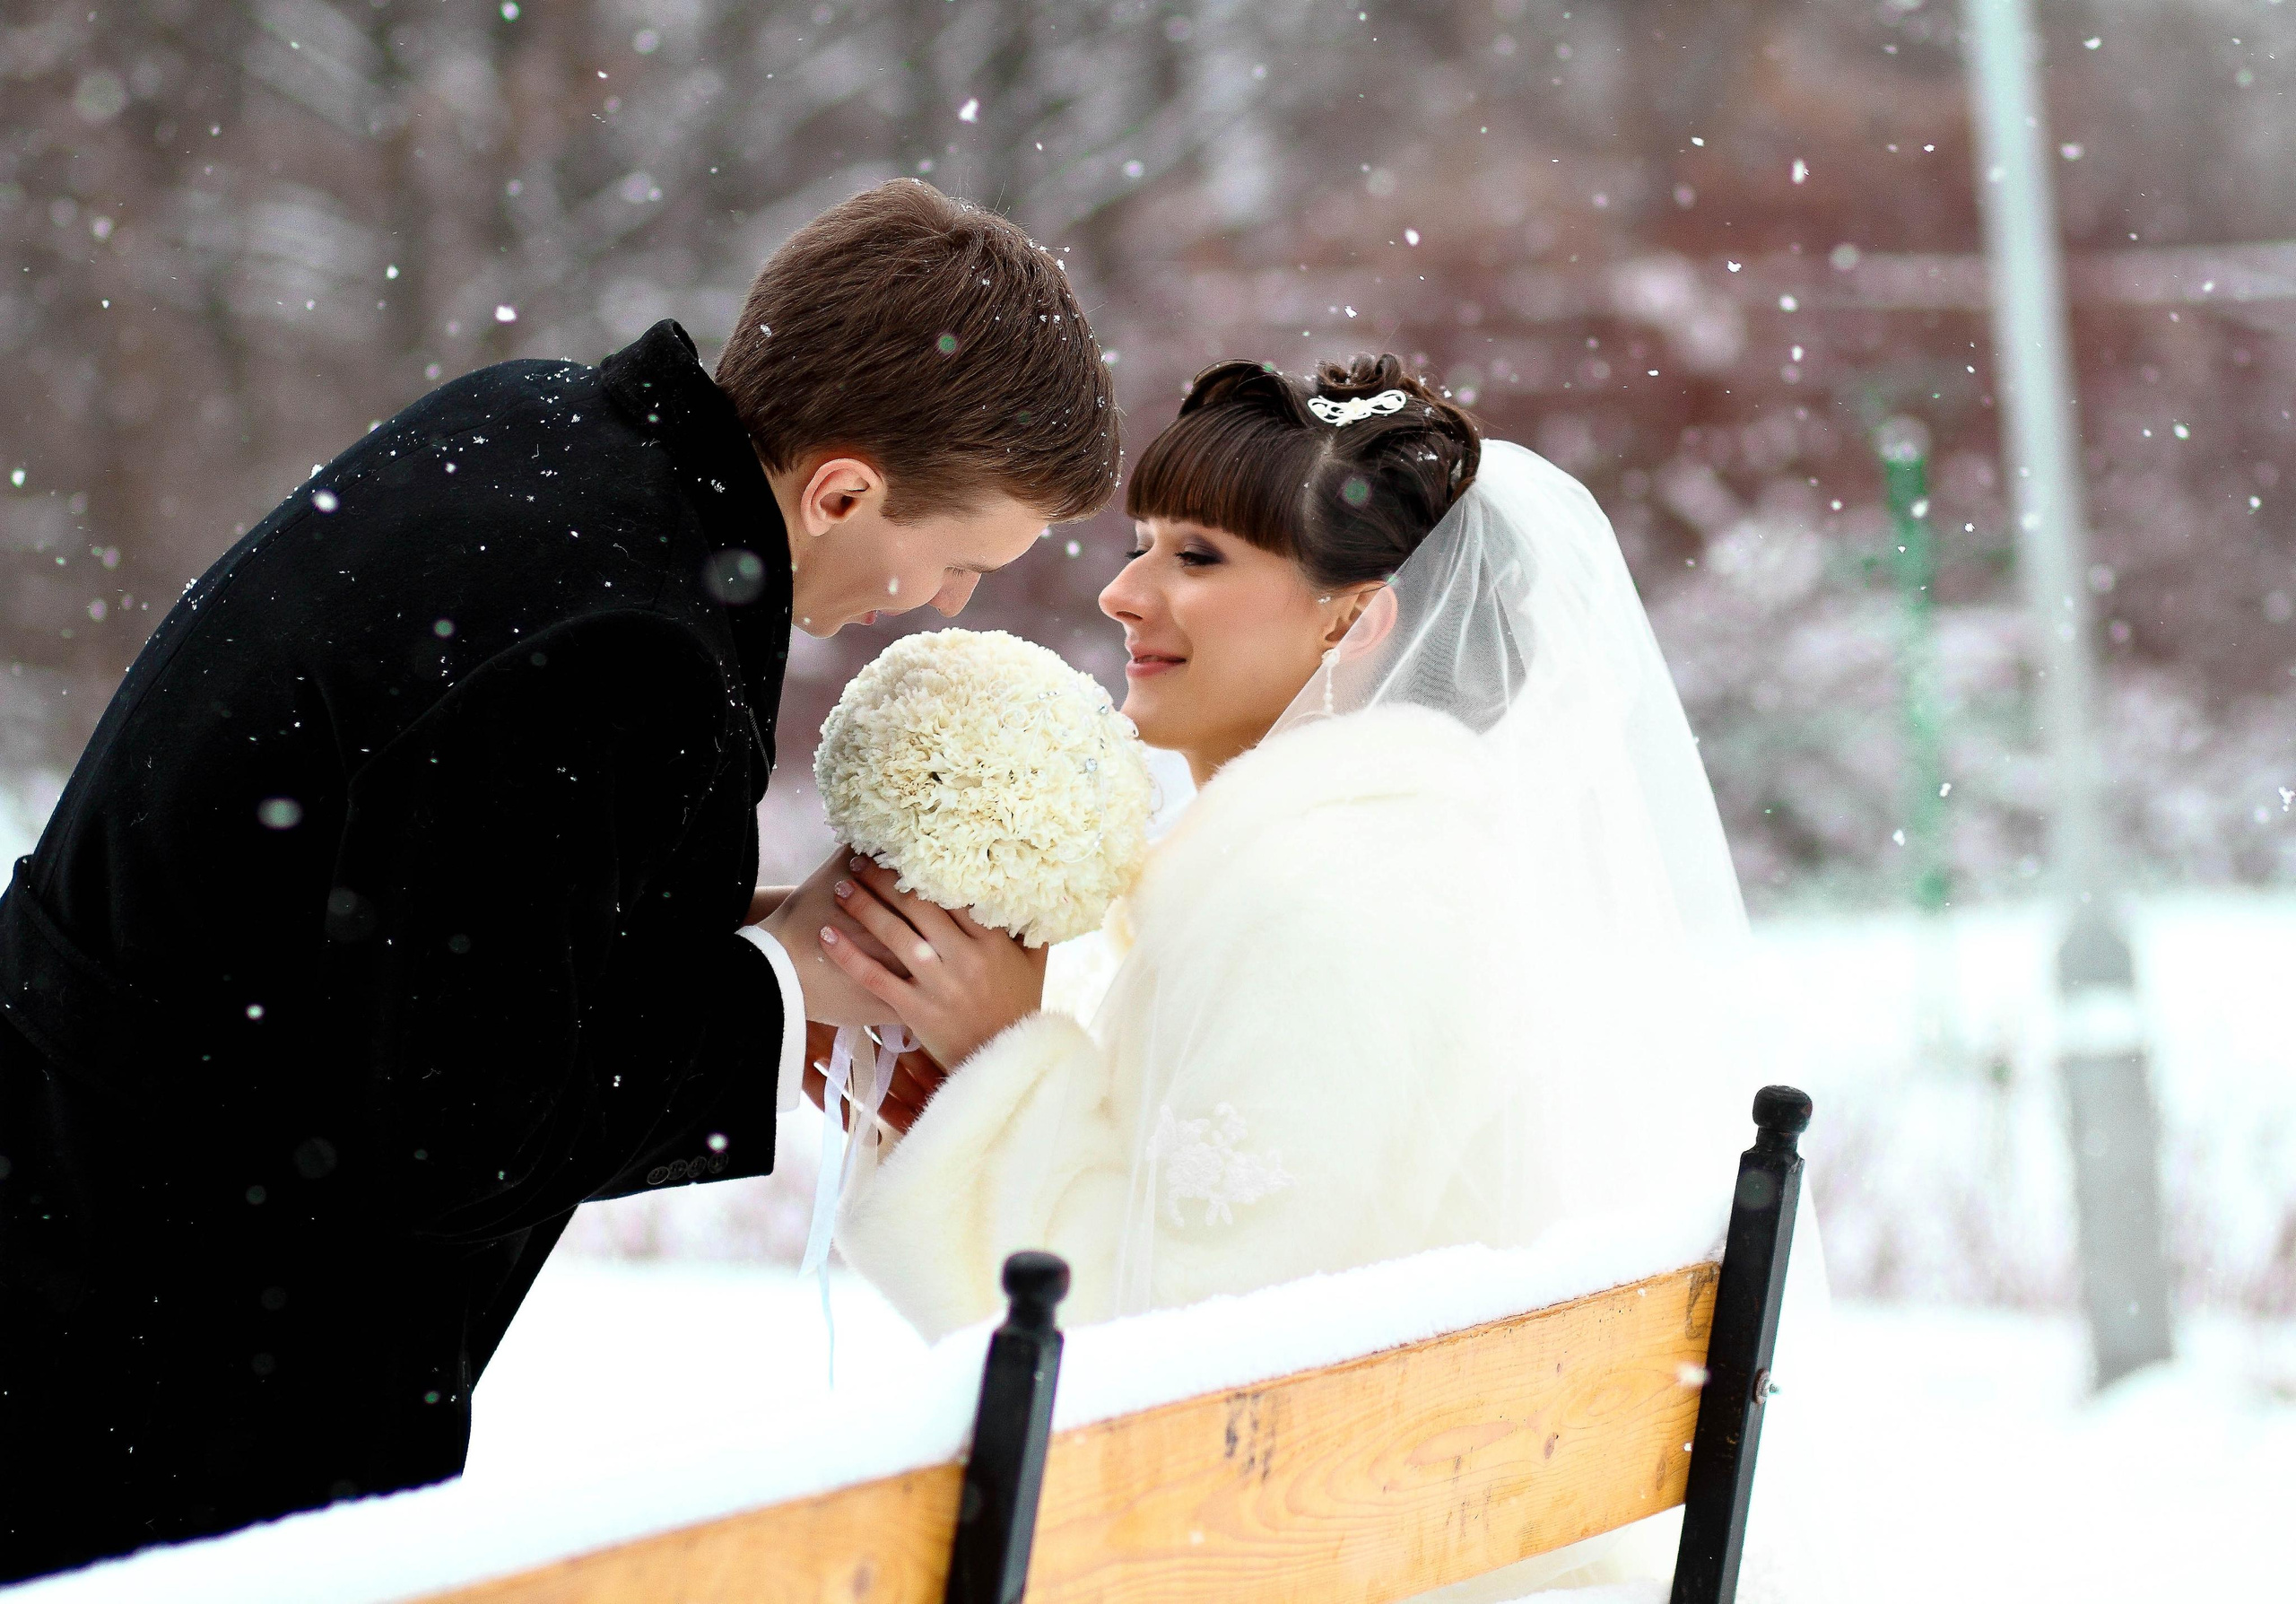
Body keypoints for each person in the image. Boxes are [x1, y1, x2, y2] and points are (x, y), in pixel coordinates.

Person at [0, 179, 1112, 1582]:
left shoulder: (540, 430)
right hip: (177, 1337)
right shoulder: (624, 635)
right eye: (956, 560)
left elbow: (454, 916)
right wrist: (785, 995)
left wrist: (775, 932)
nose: (946, 598)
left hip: (81, 1209)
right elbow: (459, 1122)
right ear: (843, 488)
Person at [813, 356, 1835, 1595]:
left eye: (1197, 558)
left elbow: (1184, 1385)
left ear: (1353, 620)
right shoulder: (1370, 863)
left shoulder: (1336, 905)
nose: (1123, 591)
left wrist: (1000, 1063)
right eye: (1143, 546)